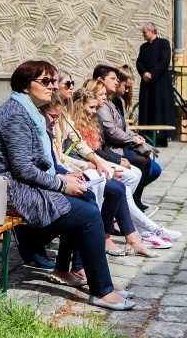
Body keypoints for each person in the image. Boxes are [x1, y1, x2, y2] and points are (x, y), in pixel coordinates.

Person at [0, 60, 135, 310]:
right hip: (12, 191)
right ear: (25, 85)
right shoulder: (15, 116)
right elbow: (22, 169)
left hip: (24, 184)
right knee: (88, 216)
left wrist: (63, 177)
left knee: (87, 199)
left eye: (53, 81)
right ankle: (101, 290)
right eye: (45, 81)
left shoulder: (28, 112)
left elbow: (37, 164)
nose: (52, 86)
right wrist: (61, 185)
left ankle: (64, 269)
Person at [73, 87, 178, 249]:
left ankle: (143, 231)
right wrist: (108, 163)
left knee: (128, 182)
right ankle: (142, 231)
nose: (96, 109)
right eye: (100, 96)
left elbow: (98, 146)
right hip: (83, 166)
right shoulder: (75, 120)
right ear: (81, 105)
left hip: (96, 161)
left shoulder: (101, 112)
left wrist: (131, 140)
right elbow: (93, 147)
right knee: (123, 185)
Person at [98, 64, 164, 214]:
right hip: (111, 147)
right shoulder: (103, 103)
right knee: (143, 162)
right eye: (113, 79)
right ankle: (132, 202)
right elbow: (111, 132)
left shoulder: (115, 101)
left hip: (119, 145)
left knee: (152, 167)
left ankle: (132, 200)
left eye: (116, 79)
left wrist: (133, 135)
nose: (116, 83)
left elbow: (122, 126)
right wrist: (132, 140)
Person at [136, 22, 176, 147]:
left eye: (145, 32)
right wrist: (144, 73)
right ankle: (147, 136)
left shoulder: (164, 44)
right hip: (147, 84)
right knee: (147, 109)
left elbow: (164, 61)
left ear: (152, 31)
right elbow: (139, 62)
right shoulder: (143, 47)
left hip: (160, 84)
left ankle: (161, 138)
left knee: (160, 110)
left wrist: (152, 74)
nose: (143, 35)